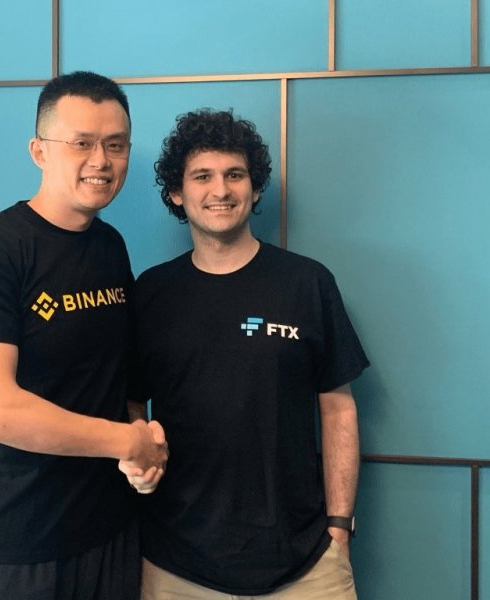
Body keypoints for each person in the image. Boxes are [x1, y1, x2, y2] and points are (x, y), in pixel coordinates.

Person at [0, 71, 168, 600]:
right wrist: (124, 440)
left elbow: (117, 377)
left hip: (107, 530)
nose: (101, 160)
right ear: (39, 151)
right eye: (81, 143)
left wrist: (139, 443)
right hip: (15, 543)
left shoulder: (109, 247)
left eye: (115, 145)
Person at [124, 109, 369, 599]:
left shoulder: (307, 283)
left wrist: (339, 526)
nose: (221, 190)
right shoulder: (151, 293)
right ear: (177, 193)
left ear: (255, 189)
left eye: (234, 175)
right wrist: (141, 459)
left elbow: (338, 408)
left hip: (305, 564)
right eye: (202, 176)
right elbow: (132, 402)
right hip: (176, 566)